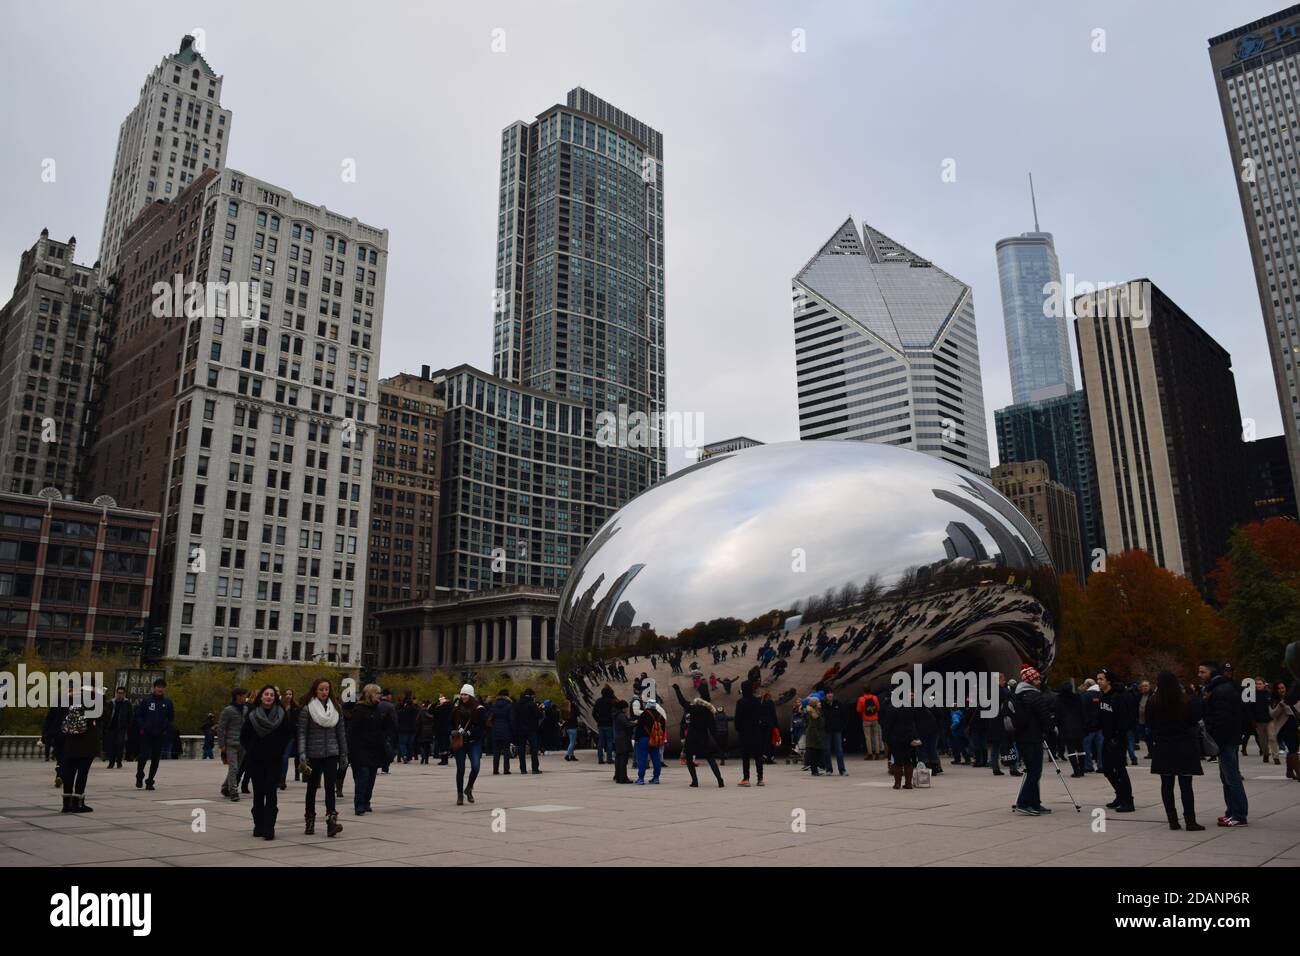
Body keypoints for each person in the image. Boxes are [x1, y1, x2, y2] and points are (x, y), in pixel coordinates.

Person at [1146, 671, 1204, 830]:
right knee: (1186, 785)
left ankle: (1172, 819)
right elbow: (1194, 720)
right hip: (1184, 746)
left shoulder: (1153, 701)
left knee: (1166, 784)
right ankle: (1190, 820)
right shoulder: (1186, 700)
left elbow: (1149, 724)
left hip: (1163, 746)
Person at [1199, 660, 1249, 827]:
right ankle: (1232, 811)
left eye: (1202, 672)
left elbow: (1223, 718)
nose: (1200, 675)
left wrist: (1215, 740)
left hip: (1226, 739)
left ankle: (1239, 814)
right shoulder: (1220, 688)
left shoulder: (1221, 690)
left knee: (1231, 777)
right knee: (1227, 777)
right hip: (1227, 738)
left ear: (1212, 673)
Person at [239, 685, 291, 840]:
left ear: (275, 698)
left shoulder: (281, 715)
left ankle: (269, 827)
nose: (269, 697)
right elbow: (244, 736)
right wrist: (252, 749)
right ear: (261, 697)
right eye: (266, 694)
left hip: (274, 760)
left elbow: (287, 735)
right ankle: (258, 825)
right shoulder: (252, 715)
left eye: (272, 695)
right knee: (258, 793)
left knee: (271, 792)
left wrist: (279, 750)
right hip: (256, 759)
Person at [298, 677, 348, 837]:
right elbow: (302, 734)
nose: (324, 692)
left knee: (330, 787)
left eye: (326, 689)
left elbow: (341, 734)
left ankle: (331, 821)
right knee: (312, 788)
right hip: (314, 754)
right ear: (315, 690)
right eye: (321, 689)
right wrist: (302, 754)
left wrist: (344, 754)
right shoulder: (308, 709)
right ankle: (310, 820)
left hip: (331, 753)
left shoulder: (336, 709)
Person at [1010, 665, 1056, 815]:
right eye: (1036, 678)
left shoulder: (1017, 695)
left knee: (1032, 770)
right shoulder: (1035, 696)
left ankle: (1035, 802)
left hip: (1022, 737)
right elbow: (1044, 717)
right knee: (1035, 772)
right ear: (1031, 681)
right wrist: (1051, 728)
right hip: (1033, 737)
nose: (1038, 680)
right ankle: (1023, 802)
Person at [347, 684, 394, 815]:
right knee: (363, 777)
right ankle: (359, 804)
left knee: (371, 778)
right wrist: (350, 750)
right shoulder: (359, 709)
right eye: (377, 693)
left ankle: (366, 802)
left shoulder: (378, 709)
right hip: (361, 749)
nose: (379, 695)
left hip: (375, 748)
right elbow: (352, 731)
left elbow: (383, 727)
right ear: (369, 695)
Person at [1097, 669, 1135, 813]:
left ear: (1109, 681)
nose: (1099, 681)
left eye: (1101, 679)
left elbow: (1123, 719)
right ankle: (1120, 795)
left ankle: (1128, 800)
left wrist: (1117, 737)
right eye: (1098, 679)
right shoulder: (1103, 696)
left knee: (1120, 770)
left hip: (1117, 739)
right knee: (1107, 769)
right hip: (1106, 738)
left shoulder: (1117, 697)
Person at [59, 688, 101, 813]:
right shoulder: (94, 701)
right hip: (86, 744)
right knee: (82, 774)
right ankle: (78, 803)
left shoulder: (70, 699)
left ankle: (66, 804)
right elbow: (104, 716)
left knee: (69, 773)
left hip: (71, 743)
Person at [134, 678, 174, 791]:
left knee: (156, 758)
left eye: (162, 687)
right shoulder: (146, 701)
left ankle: (150, 781)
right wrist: (143, 726)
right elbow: (138, 716)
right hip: (147, 734)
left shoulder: (167, 702)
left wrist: (165, 727)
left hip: (160, 734)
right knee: (143, 756)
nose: (160, 689)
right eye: (158, 686)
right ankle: (139, 775)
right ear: (154, 688)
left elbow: (170, 718)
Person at [451, 684, 487, 805]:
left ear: (471, 695)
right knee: (460, 770)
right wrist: (454, 731)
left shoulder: (479, 709)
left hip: (473, 742)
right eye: (462, 694)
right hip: (460, 742)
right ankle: (460, 795)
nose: (463, 696)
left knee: (476, 767)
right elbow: (451, 724)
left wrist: (469, 733)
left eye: (465, 694)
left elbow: (482, 728)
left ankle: (469, 788)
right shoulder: (456, 709)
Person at [880, 693, 920, 789]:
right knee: (908, 760)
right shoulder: (910, 707)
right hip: (908, 737)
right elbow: (914, 722)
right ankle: (908, 783)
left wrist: (885, 737)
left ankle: (897, 784)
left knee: (897, 760)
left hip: (895, 738)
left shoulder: (892, 708)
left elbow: (887, 724)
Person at [684, 697, 725, 788]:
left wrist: (677, 690)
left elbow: (682, 701)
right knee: (711, 759)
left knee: (689, 760)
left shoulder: (693, 710)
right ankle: (719, 779)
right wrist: (719, 743)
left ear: (696, 704)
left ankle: (695, 781)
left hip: (691, 739)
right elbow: (713, 730)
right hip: (703, 739)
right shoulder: (709, 713)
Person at [734, 680, 769, 786]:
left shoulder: (740, 702)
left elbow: (737, 719)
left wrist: (739, 729)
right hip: (756, 731)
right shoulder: (757, 701)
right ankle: (760, 779)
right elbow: (761, 715)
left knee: (746, 756)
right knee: (758, 756)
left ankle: (746, 779)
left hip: (745, 732)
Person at [633, 682, 667, 785]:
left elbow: (639, 728)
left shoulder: (644, 714)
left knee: (642, 759)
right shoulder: (660, 716)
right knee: (656, 759)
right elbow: (663, 729)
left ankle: (641, 779)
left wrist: (636, 738)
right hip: (655, 739)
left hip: (643, 739)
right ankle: (656, 778)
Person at [218, 688, 249, 801]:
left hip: (243, 744)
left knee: (237, 768)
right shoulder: (228, 710)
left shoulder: (246, 709)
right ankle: (233, 791)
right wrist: (222, 745)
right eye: (243, 695)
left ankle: (225, 787)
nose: (245, 697)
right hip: (231, 743)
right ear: (237, 696)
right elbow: (221, 728)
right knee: (234, 768)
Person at [1055, 680, 1086, 778]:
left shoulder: (1059, 699)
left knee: (1071, 749)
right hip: (1078, 725)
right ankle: (1082, 769)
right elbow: (1082, 711)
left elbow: (1058, 714)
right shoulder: (1077, 697)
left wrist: (1057, 725)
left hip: (1066, 726)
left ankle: (1076, 770)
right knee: (1080, 748)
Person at [1270, 681, 1298, 781]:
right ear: (1276, 690)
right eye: (1280, 688)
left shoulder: (1290, 698)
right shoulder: (1275, 701)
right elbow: (1272, 714)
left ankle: (1289, 772)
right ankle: (1298, 772)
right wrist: (1281, 705)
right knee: (1293, 750)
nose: (1282, 690)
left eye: (1283, 688)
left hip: (1293, 726)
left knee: (1293, 749)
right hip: (1284, 728)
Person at [514, 688, 542, 774]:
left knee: (521, 749)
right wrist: (540, 709)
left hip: (520, 729)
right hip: (531, 729)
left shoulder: (518, 704)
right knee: (534, 748)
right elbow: (539, 715)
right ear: (531, 695)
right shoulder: (532, 704)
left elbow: (515, 717)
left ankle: (523, 769)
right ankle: (534, 768)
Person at [1251, 677, 1278, 766]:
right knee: (1263, 740)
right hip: (1259, 721)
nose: (1258, 686)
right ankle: (1266, 753)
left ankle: (1275, 757)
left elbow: (1274, 705)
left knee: (1272, 737)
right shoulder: (1252, 695)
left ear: (1264, 685)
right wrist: (1253, 720)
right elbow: (1250, 709)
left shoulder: (1269, 694)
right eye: (1257, 684)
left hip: (1269, 719)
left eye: (1260, 684)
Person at [102, 686, 130, 769]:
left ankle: (119, 761)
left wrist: (127, 725)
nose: (120, 695)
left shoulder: (127, 703)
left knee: (120, 745)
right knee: (111, 745)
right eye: (118, 693)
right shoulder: (111, 702)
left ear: (124, 694)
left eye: (121, 693)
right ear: (116, 693)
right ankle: (111, 762)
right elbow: (106, 714)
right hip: (111, 727)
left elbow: (130, 715)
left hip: (121, 728)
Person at [489, 688, 515, 775]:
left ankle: (495, 770)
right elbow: (511, 720)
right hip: (506, 730)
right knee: (506, 751)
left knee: (496, 751)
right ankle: (506, 770)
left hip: (495, 730)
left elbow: (490, 717)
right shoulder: (509, 705)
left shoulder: (494, 705)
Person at [1080, 678, 1102, 772]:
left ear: (1087, 685)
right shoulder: (1101, 694)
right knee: (1100, 747)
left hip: (1088, 726)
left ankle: (1088, 765)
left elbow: (1082, 710)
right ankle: (1101, 765)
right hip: (1100, 725)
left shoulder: (1085, 696)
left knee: (1086, 747)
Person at [280, 687, 300, 789]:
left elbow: (297, 722)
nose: (288, 696)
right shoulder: (278, 706)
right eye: (287, 694)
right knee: (278, 758)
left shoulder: (295, 707)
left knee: (285, 757)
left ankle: (282, 780)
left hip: (290, 737)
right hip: (278, 737)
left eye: (290, 694)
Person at [823, 690, 848, 776]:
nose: (829, 694)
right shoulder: (823, 705)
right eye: (828, 693)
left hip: (837, 730)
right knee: (827, 750)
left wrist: (842, 726)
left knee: (839, 750)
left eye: (831, 693)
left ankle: (842, 769)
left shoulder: (838, 704)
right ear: (825, 695)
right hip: (827, 730)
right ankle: (828, 769)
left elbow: (844, 715)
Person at [803, 697, 828, 778]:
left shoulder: (816, 712)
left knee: (816, 752)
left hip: (816, 735)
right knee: (814, 753)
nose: (820, 704)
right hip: (813, 736)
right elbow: (813, 726)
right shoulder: (813, 714)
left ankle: (816, 770)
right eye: (818, 703)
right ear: (814, 704)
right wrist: (818, 737)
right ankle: (814, 771)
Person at [857, 688, 883, 760]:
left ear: (863, 691)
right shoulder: (875, 697)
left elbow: (858, 710)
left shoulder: (861, 699)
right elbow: (878, 708)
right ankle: (877, 754)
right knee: (876, 736)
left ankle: (870, 754)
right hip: (875, 719)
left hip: (866, 720)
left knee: (868, 737)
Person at [612, 700, 634, 783]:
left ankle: (618, 776)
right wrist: (635, 723)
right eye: (626, 708)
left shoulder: (616, 715)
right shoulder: (621, 715)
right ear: (623, 708)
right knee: (623, 759)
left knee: (619, 758)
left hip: (618, 738)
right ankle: (623, 778)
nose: (627, 709)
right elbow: (626, 725)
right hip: (623, 739)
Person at [593, 686, 616, 765]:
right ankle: (609, 758)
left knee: (601, 742)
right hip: (609, 723)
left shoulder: (598, 701)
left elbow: (594, 713)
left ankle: (600, 758)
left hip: (601, 724)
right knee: (609, 741)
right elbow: (614, 712)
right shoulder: (611, 701)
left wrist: (598, 720)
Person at [396, 692, 418, 764]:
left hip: (403, 729)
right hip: (412, 729)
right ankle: (409, 756)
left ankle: (404, 755)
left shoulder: (401, 711)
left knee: (402, 743)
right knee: (410, 744)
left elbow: (397, 717)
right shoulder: (415, 710)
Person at [432, 694, 453, 765]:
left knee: (442, 744)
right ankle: (445, 759)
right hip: (447, 728)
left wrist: (437, 701)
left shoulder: (439, 709)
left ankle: (443, 760)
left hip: (440, 729)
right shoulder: (450, 708)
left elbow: (430, 710)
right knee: (446, 744)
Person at [415, 700, 436, 764]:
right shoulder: (431, 712)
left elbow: (417, 721)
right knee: (427, 745)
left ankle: (423, 756)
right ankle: (426, 759)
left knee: (421, 744)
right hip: (430, 731)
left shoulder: (421, 712)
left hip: (422, 730)